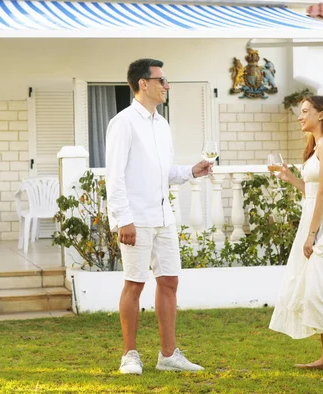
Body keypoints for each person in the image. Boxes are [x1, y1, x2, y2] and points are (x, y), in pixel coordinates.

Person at [105, 58, 211, 375]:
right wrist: (123, 218)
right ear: (143, 84)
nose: (167, 86)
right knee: (134, 284)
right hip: (135, 219)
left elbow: (162, 173)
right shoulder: (122, 123)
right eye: (162, 80)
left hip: (164, 217)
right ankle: (129, 356)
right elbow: (115, 177)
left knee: (169, 282)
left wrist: (192, 171)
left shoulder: (161, 124)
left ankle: (168, 355)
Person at [268, 95, 323, 383]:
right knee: (313, 289)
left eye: (305, 111)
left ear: (321, 114)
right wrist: (291, 177)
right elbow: (312, 188)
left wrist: (312, 233)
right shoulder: (317, 145)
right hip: (316, 220)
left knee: (318, 292)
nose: (299, 116)